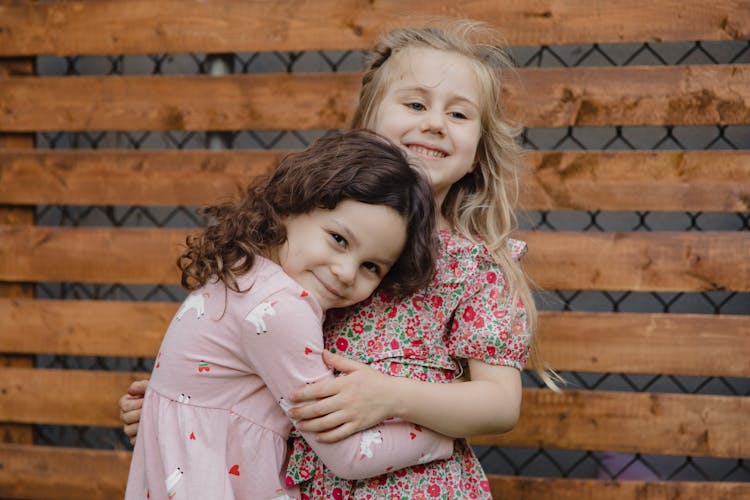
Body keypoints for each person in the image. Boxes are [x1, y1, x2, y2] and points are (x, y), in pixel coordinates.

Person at [121, 20, 562, 499]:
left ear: (477, 154)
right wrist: (189, 403)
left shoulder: (476, 269)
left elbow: (499, 405)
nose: (434, 123)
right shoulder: (311, 234)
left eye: (458, 115)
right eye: (415, 104)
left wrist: (391, 396)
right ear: (367, 123)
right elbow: (262, 353)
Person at [123, 130, 455, 500]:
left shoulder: (241, 270)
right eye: (339, 240)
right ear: (291, 207)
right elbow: (345, 455)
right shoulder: (280, 309)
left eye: (372, 267)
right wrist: (442, 436)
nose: (346, 272)